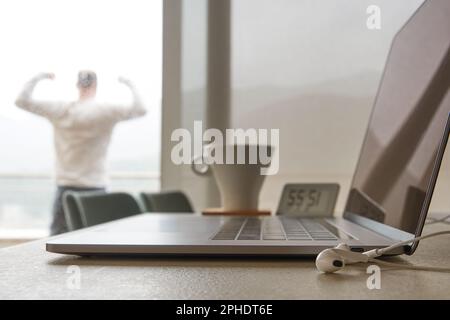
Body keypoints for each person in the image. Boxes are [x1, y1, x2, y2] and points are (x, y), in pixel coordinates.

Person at [15, 71, 147, 235]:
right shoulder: (105, 111)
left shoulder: (60, 110)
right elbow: (140, 109)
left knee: (57, 242)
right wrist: (128, 83)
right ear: (95, 86)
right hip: (96, 187)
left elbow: (21, 101)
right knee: (98, 241)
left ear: (77, 85)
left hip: (66, 188)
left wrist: (38, 77)